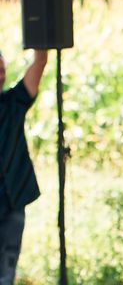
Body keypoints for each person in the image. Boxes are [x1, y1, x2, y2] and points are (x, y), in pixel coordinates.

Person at [0, 49, 48, 285]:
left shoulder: (12, 103)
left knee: (6, 272)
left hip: (12, 201)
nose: (0, 75)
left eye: (1, 70)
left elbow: (40, 63)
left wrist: (40, 35)